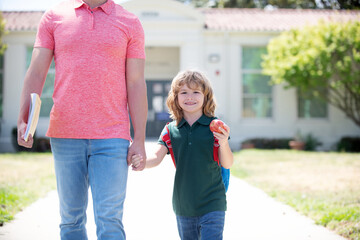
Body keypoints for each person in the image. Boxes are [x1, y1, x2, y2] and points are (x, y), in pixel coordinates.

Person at [17, 0, 147, 239]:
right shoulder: (54, 17)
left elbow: (136, 82)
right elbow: (36, 71)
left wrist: (139, 138)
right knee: (71, 220)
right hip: (65, 134)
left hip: (112, 136)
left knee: (109, 219)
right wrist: (24, 119)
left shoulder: (129, 22)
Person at [132, 70, 233, 240]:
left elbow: (228, 163)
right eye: (184, 92)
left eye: (196, 92)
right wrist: (141, 162)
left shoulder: (215, 127)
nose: (190, 97)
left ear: (206, 96)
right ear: (175, 97)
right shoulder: (170, 130)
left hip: (213, 202)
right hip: (183, 205)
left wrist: (223, 143)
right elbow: (156, 157)